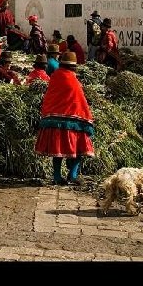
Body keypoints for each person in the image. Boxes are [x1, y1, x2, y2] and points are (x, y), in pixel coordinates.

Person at [34, 51, 95, 186]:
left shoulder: (55, 77)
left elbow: (50, 97)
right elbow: (80, 101)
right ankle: (72, 175)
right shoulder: (73, 80)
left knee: (58, 150)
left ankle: (57, 176)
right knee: (80, 147)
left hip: (52, 118)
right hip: (71, 121)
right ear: (73, 67)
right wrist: (88, 118)